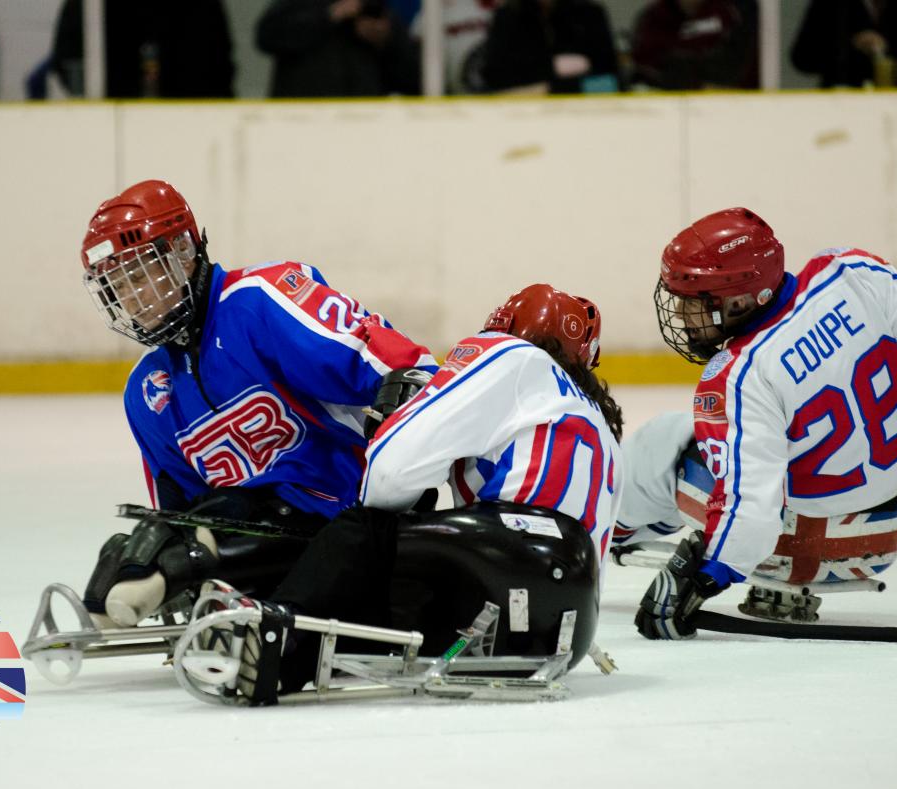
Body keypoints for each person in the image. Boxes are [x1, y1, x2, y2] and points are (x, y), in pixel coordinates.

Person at [199, 284, 625, 704]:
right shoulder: (598, 423)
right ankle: (302, 649)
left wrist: (364, 538)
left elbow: (393, 466)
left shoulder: (511, 356)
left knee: (365, 531)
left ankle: (275, 641)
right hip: (563, 628)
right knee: (405, 590)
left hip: (514, 568)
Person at [635, 207, 897, 639]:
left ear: (745, 299)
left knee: (666, 440)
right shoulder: (854, 274)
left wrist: (705, 575)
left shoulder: (740, 374)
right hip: (883, 536)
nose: (686, 319)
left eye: (698, 305)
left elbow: (751, 505)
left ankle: (614, 531)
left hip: (803, 548)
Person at [76, 179, 436, 629]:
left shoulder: (259, 302)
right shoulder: (147, 391)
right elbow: (179, 505)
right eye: (118, 284)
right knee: (145, 549)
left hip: (348, 521)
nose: (132, 297)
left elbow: (410, 374)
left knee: (203, 536)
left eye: (141, 274)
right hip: (261, 542)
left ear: (185, 250)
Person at [50, 0, 235, 98]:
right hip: (115, 107)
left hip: (193, 114)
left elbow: (219, 62)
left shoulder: (198, 7)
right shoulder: (93, 6)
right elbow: (68, 58)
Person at [256, 0, 421, 98]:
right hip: (303, 117)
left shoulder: (377, 11)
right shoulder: (301, 5)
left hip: (364, 122)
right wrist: (330, 15)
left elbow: (415, 82)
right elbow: (267, 36)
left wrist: (385, 41)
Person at [479, 0, 618, 94]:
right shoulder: (508, 17)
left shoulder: (590, 15)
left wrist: (557, 87)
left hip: (584, 115)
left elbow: (610, 80)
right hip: (525, 116)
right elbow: (494, 76)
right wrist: (551, 68)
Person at [630, 0, 757, 90]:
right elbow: (646, 68)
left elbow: (736, 64)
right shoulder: (653, 18)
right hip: (668, 106)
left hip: (731, 105)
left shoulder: (733, 11)